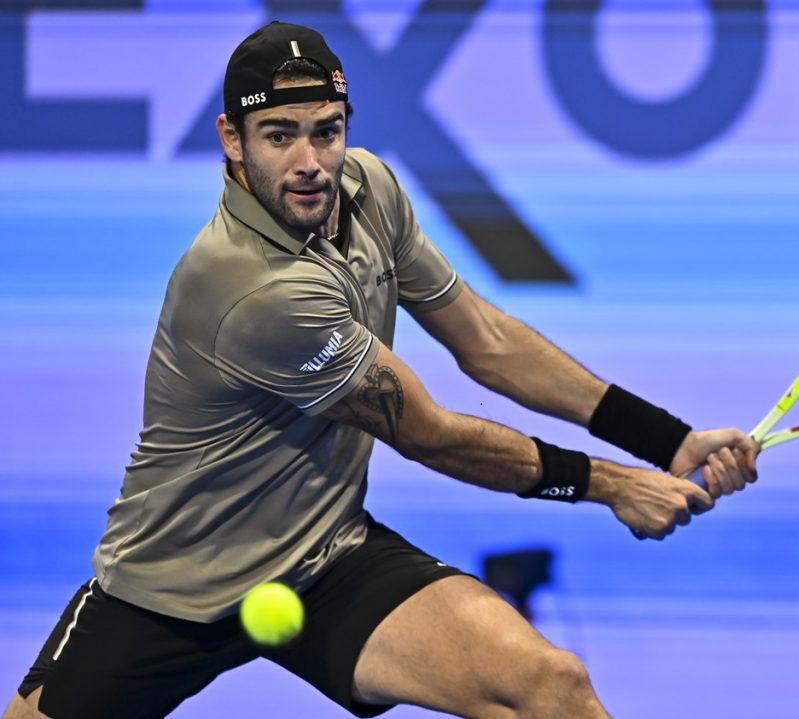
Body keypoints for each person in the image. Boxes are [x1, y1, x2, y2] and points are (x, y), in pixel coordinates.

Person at [3, 22, 759, 719]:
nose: (310, 163)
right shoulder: (250, 288)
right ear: (231, 140)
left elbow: (487, 341)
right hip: (169, 589)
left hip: (325, 557)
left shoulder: (368, 190)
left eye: (326, 132)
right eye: (278, 136)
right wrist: (614, 483)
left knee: (550, 688)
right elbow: (431, 436)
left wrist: (665, 440)